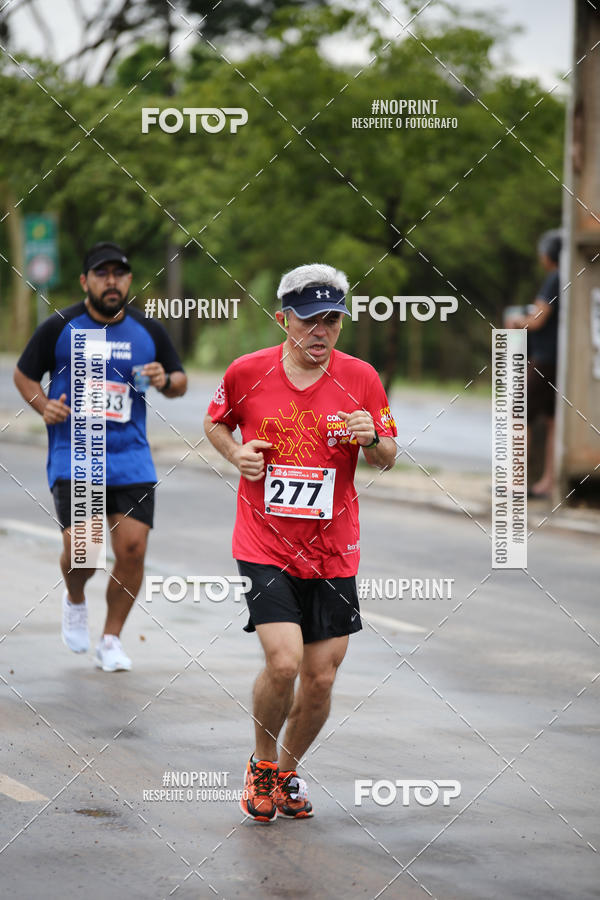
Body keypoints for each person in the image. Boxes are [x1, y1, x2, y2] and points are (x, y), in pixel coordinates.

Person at [204, 263, 397, 821]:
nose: (322, 331)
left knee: (320, 677)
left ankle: (287, 773)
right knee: (285, 663)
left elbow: (387, 456)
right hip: (264, 542)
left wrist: (373, 439)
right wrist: (234, 455)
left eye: (333, 320)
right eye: (311, 320)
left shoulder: (361, 378)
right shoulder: (248, 372)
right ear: (283, 318)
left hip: (334, 548)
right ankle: (262, 764)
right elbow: (216, 422)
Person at [14, 241, 187, 671]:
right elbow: (23, 374)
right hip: (76, 451)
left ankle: (110, 639)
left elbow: (179, 380)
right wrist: (42, 405)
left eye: (120, 274)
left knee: (131, 550)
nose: (112, 282)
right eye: (102, 274)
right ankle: (75, 600)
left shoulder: (148, 332)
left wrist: (166, 379)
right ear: (85, 281)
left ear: (129, 280)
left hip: (131, 456)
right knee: (85, 549)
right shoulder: (60, 327)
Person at [507, 229, 561, 498]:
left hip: (544, 360)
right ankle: (548, 483)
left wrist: (516, 321)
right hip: (562, 362)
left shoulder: (554, 279)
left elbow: (537, 319)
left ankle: (515, 483)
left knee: (518, 416)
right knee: (553, 421)